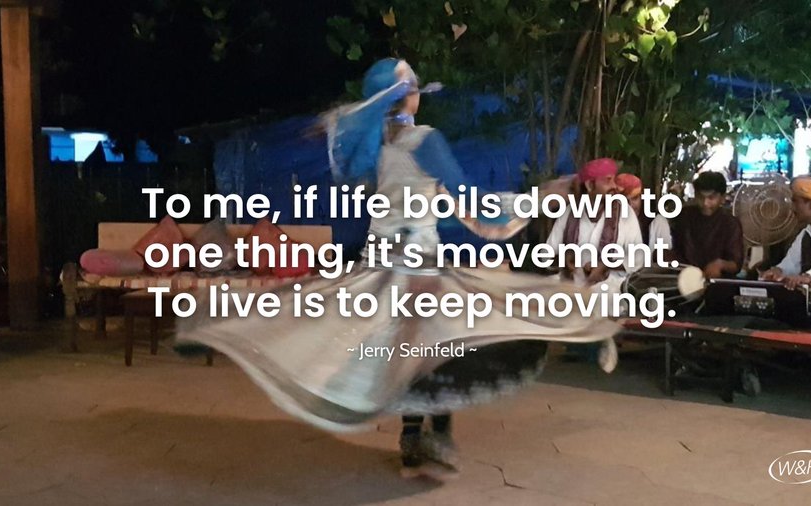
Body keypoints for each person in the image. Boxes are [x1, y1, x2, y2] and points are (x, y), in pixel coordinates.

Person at [176, 58, 618, 479]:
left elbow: (427, 203)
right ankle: (437, 437)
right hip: (419, 269)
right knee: (442, 346)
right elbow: (473, 202)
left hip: (379, 267)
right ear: (407, 97)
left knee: (397, 353)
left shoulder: (372, 148)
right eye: (416, 89)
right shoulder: (425, 140)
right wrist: (541, 196)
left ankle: (414, 441)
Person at [545, 158, 645, 292]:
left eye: (614, 180)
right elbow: (547, 254)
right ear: (590, 185)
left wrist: (605, 266)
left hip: (610, 287)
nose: (614, 186)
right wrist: (563, 259)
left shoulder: (625, 212)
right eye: (608, 181)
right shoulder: (570, 212)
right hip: (570, 284)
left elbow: (638, 258)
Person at [670, 171, 744, 279]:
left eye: (711, 198)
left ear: (722, 198)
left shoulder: (730, 223)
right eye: (701, 197)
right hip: (686, 278)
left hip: (719, 282)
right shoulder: (684, 216)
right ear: (695, 194)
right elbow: (676, 250)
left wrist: (720, 264)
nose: (705, 203)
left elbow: (736, 264)